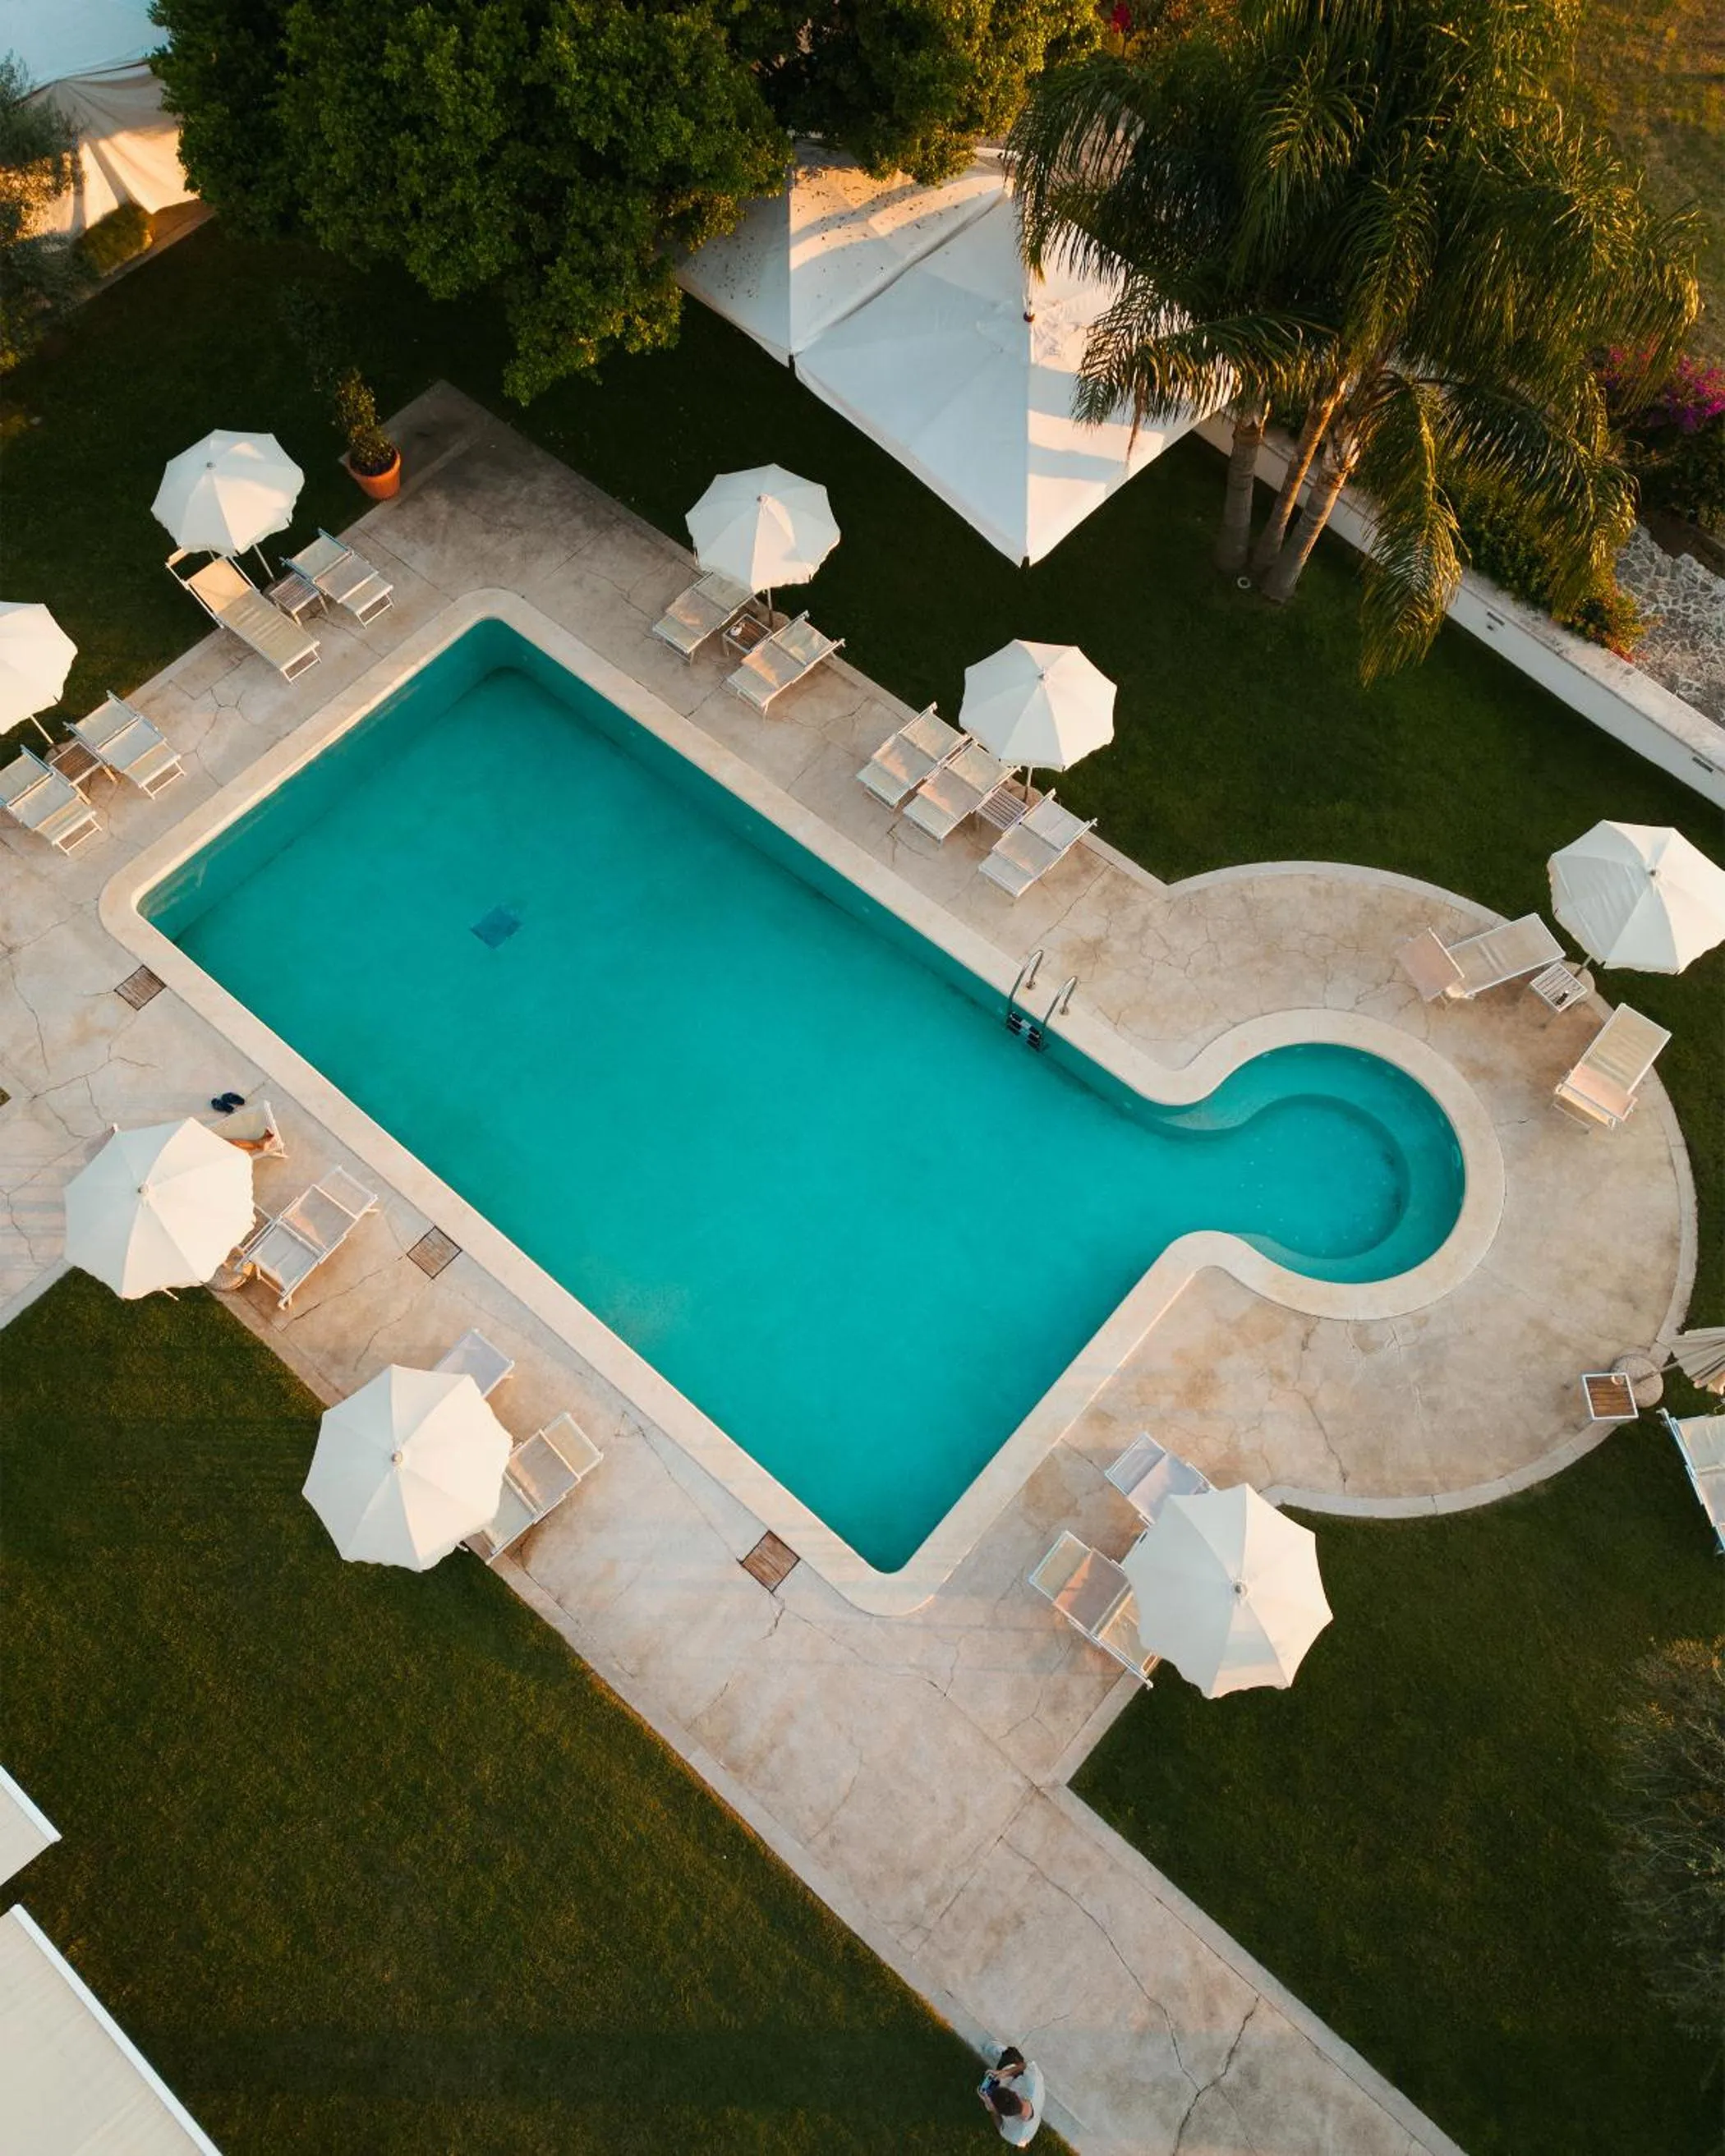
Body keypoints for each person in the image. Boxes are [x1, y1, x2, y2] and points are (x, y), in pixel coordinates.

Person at [978, 2044, 1044, 2145]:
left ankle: (1004, 2058)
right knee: (1012, 2055)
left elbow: (1000, 2126)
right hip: (1027, 2128)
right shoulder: (1033, 2081)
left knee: (1006, 2062)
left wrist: (992, 2110)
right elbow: (1026, 2066)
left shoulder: (1014, 2135)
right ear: (1015, 2094)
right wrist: (1005, 2073)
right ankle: (1006, 2056)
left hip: (1024, 2135)